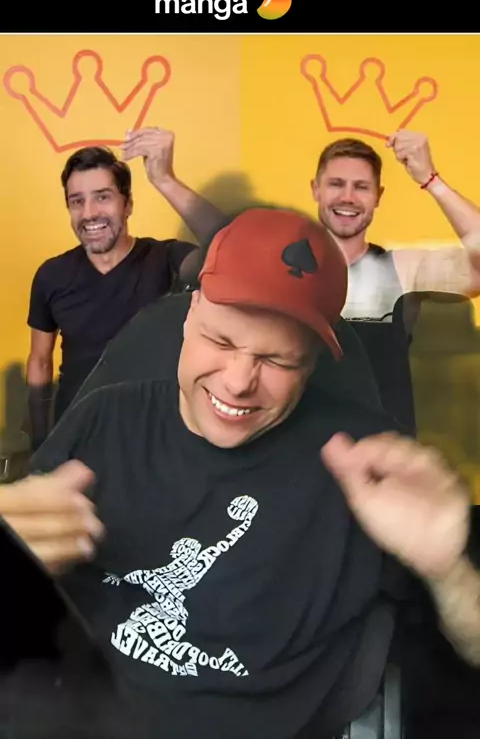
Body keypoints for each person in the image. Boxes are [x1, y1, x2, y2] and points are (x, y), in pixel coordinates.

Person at [3, 207, 480, 738]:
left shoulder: (368, 466)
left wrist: (448, 570)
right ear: (189, 315)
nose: (237, 383)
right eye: (222, 342)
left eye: (277, 360)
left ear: (312, 360)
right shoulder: (104, 419)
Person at [25, 126, 226, 448]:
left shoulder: (166, 259)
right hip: (76, 438)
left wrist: (165, 179)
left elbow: (229, 247)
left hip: (152, 440)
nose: (89, 213)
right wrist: (39, 443)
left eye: (102, 197)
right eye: (77, 201)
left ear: (128, 204)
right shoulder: (51, 275)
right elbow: (40, 361)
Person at [311, 130, 480, 321]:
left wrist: (431, 180)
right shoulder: (284, 267)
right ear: (315, 189)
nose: (347, 197)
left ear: (378, 196)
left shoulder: (406, 271)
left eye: (361, 187)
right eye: (336, 184)